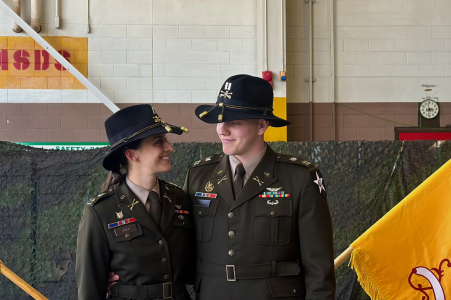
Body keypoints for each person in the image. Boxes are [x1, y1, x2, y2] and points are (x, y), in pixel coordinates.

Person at [184, 74, 336, 299]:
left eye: (234, 122)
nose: (221, 130)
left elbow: (319, 268)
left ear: (262, 125)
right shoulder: (199, 175)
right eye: (220, 120)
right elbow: (177, 245)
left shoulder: (299, 177)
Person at [76, 104, 195, 300]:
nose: (169, 147)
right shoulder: (101, 211)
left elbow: (192, 267)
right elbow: (89, 290)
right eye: (158, 142)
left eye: (166, 140)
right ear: (132, 155)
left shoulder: (180, 199)